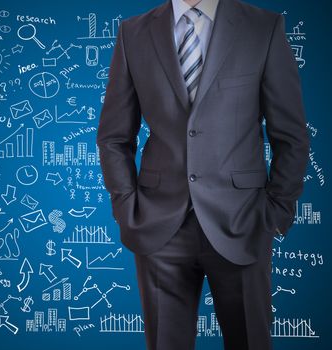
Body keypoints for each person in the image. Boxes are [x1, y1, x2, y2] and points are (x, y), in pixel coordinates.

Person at [96, 0, 310, 349]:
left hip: (243, 222)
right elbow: (113, 137)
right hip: (158, 226)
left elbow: (291, 136)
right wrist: (125, 205)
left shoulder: (263, 28)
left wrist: (276, 213)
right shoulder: (132, 32)